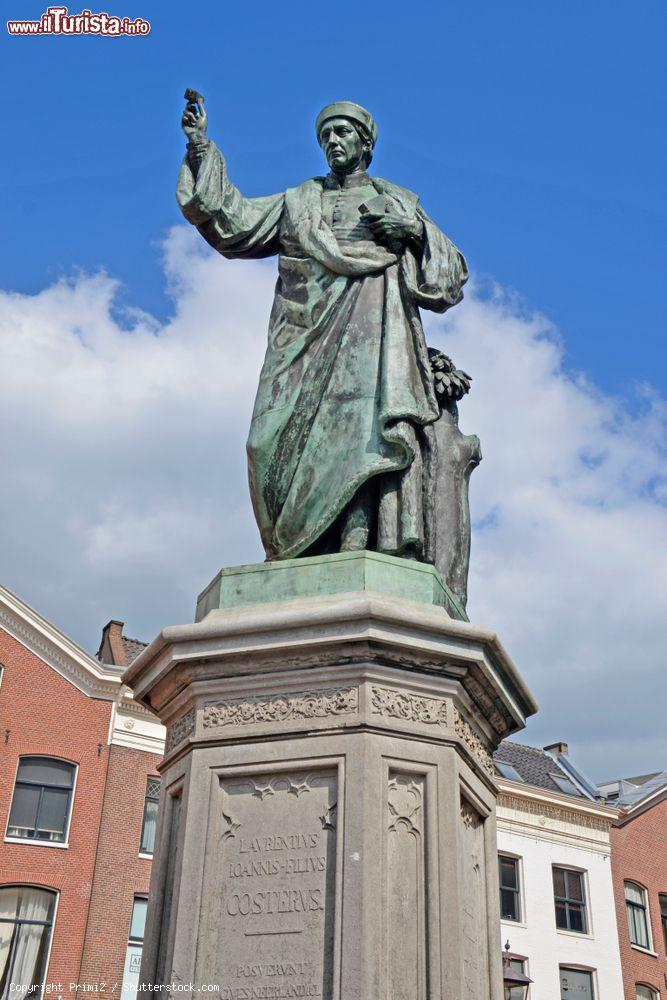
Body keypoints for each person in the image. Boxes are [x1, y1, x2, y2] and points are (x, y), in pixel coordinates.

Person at [178, 96, 468, 563]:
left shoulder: (397, 200)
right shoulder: (300, 201)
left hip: (371, 332)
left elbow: (449, 275)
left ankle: (354, 541)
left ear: (365, 142)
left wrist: (412, 230)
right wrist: (199, 151)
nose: (333, 141)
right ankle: (291, 551)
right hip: (301, 336)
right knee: (263, 443)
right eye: (326, 135)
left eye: (343, 132)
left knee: (362, 433)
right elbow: (235, 224)